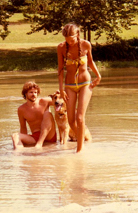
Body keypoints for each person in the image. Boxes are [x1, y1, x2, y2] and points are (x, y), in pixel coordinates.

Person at [57, 23, 101, 153]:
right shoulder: (60, 48)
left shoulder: (86, 44)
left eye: (72, 40)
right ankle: (83, 138)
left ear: (77, 35)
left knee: (80, 117)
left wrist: (98, 76)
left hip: (85, 83)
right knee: (71, 121)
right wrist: (61, 89)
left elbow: (91, 62)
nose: (69, 42)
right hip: (69, 85)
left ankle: (79, 150)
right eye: (67, 40)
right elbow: (60, 70)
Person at [11, 81, 57, 150]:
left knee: (47, 114)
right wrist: (22, 141)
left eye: (35, 92)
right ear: (25, 93)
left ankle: (39, 144)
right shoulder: (21, 109)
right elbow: (23, 127)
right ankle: (20, 153)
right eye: (31, 92)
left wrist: (60, 94)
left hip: (49, 135)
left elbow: (60, 102)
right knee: (15, 136)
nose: (34, 94)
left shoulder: (45, 101)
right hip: (35, 137)